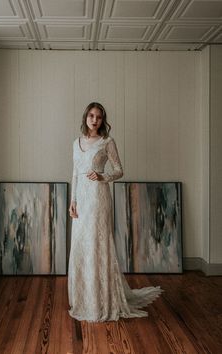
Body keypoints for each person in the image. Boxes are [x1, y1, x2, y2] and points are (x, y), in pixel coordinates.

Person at [68, 102, 164, 322]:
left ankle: (102, 300)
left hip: (98, 197)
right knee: (82, 245)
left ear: (103, 121)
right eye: (91, 115)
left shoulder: (107, 142)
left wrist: (103, 177)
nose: (94, 120)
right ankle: (84, 299)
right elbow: (74, 172)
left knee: (97, 245)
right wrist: (73, 201)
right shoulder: (76, 143)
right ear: (85, 117)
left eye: (99, 117)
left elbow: (119, 170)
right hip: (81, 199)